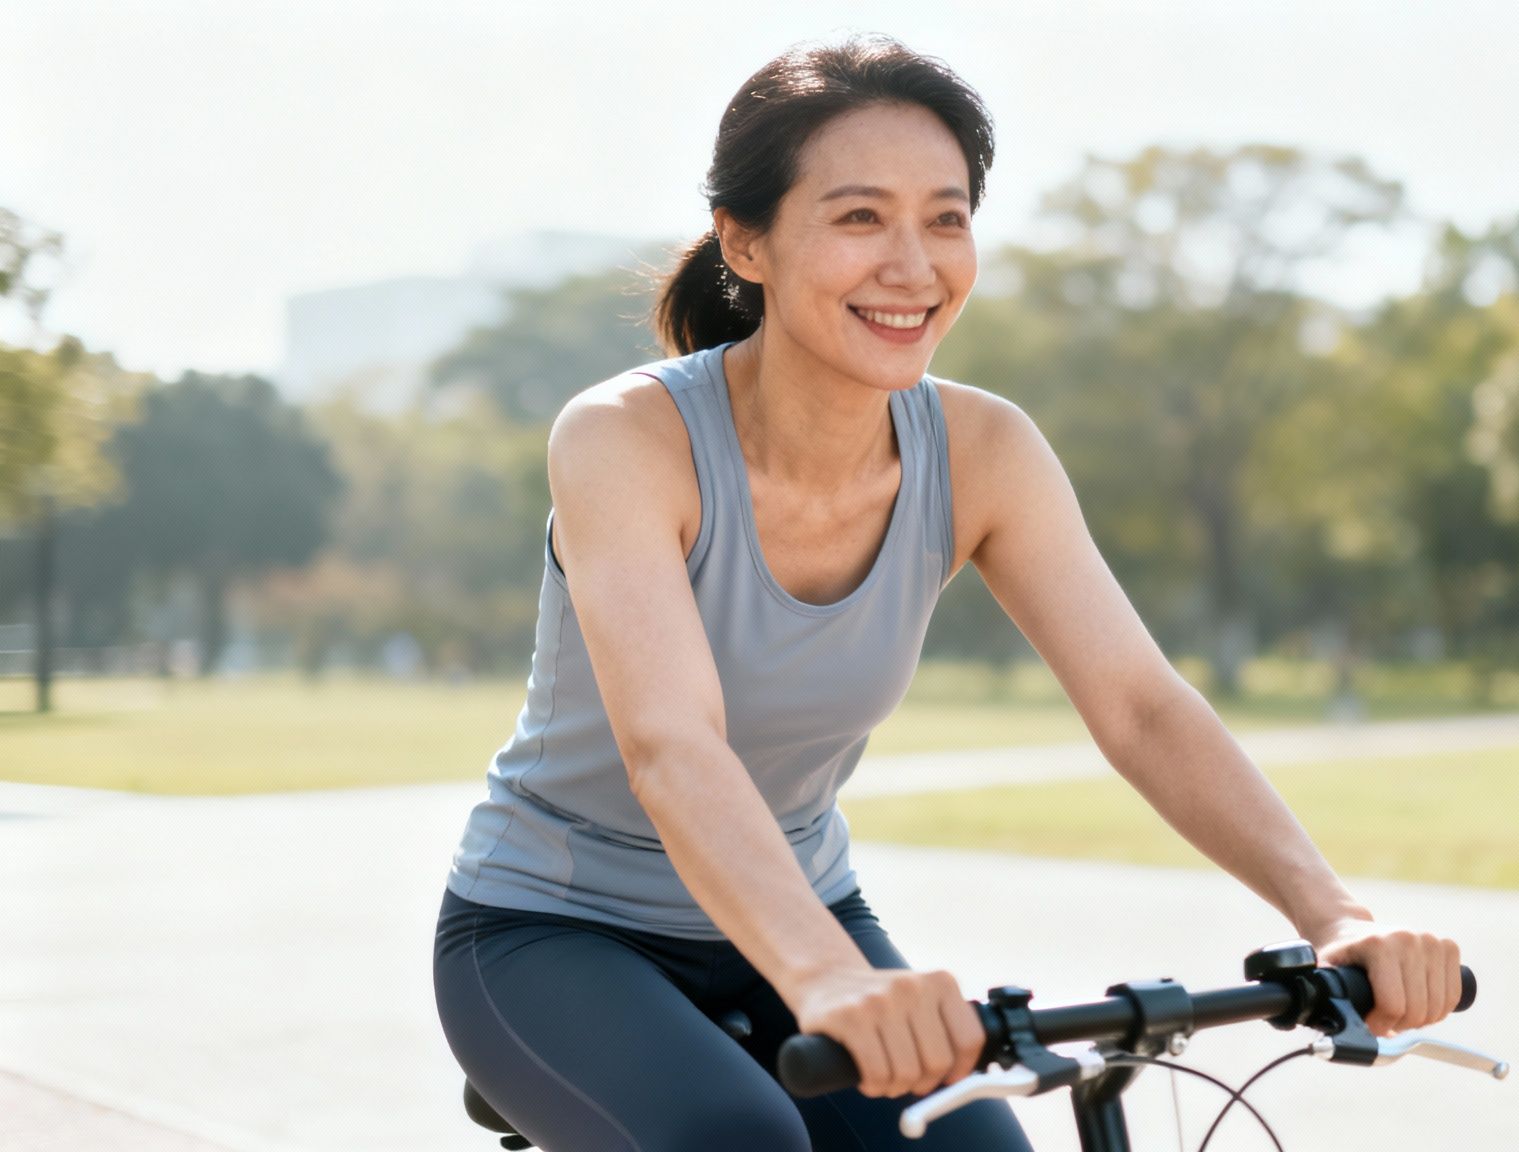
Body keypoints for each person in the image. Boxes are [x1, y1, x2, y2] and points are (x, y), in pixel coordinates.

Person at [432, 32, 1464, 1152]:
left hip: (801, 911)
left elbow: (1138, 704)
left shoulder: (982, 450)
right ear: (747, 240)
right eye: (859, 217)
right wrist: (827, 981)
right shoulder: (626, 438)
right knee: (734, 1141)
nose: (913, 266)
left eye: (946, 216)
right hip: (550, 931)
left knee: (975, 1148)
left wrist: (1335, 917)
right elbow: (672, 746)